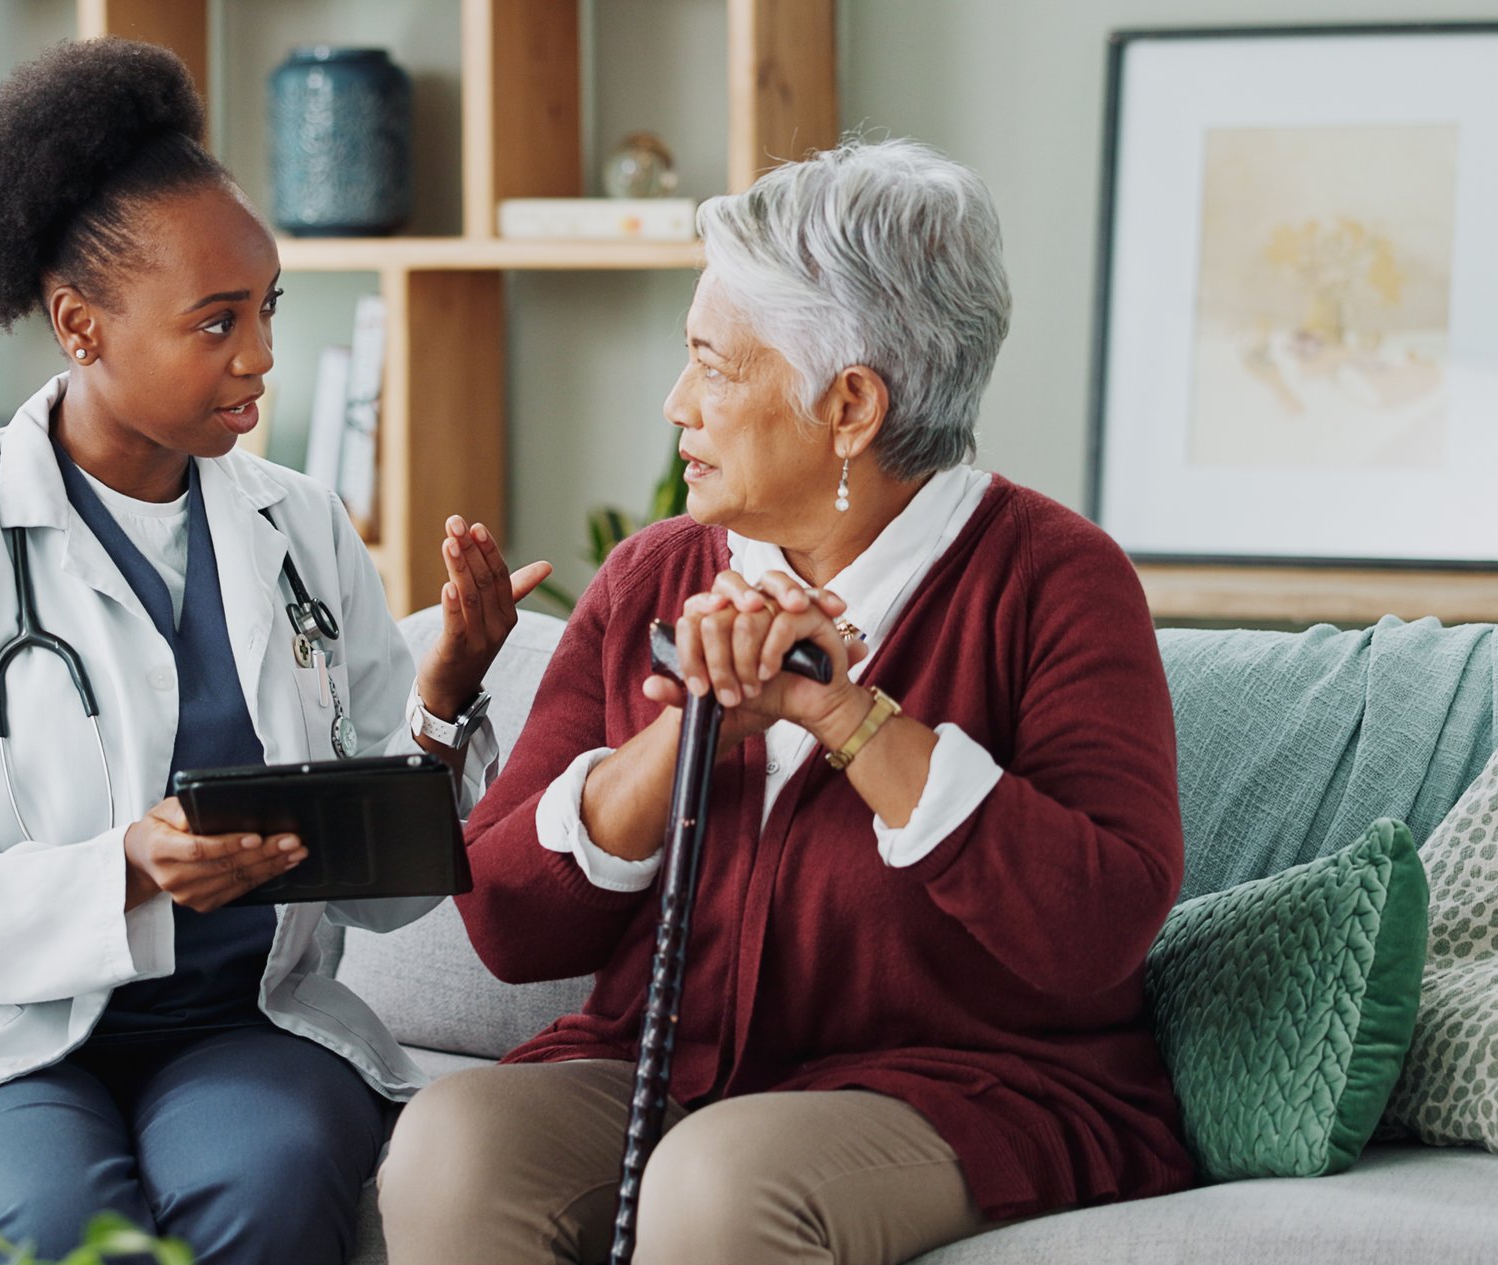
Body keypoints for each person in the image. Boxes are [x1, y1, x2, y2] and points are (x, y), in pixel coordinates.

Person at [0, 38, 547, 1265]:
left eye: (268, 308)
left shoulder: (301, 525)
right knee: (47, 1222)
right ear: (81, 325)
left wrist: (445, 698)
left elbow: (388, 897)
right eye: (216, 322)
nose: (261, 355)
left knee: (269, 1181)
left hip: (243, 1022)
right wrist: (125, 867)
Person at [377, 138, 1196, 1265]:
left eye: (713, 367)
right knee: (453, 1142)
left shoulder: (1054, 578)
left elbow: (1099, 925)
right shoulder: (652, 576)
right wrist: (690, 726)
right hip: (666, 1067)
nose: (677, 403)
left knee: (717, 1181)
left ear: (850, 404)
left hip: (967, 1087)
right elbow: (509, 924)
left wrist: (846, 717)